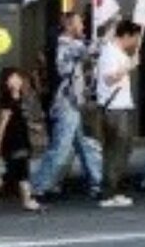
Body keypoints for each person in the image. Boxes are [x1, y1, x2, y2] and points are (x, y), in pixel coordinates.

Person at [32, 12, 104, 201]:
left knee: (87, 144)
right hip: (67, 103)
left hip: (76, 102)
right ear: (69, 26)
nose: (83, 27)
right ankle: (39, 186)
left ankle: (97, 183)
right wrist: (110, 32)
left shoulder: (69, 44)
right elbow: (93, 50)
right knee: (61, 147)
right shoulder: (65, 44)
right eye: (80, 24)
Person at [0, 69, 43, 213]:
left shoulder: (20, 97)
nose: (17, 80)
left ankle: (26, 200)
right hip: (13, 141)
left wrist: (33, 127)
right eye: (13, 78)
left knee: (20, 171)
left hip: (22, 137)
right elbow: (3, 121)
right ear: (6, 82)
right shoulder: (7, 99)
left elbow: (20, 119)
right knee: (16, 171)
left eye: (18, 77)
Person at [97, 19, 142, 208]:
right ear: (126, 36)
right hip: (115, 109)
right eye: (135, 38)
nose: (136, 42)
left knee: (119, 150)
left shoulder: (116, 51)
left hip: (120, 107)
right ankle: (109, 192)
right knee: (116, 151)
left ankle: (115, 191)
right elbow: (109, 79)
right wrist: (129, 66)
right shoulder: (110, 52)